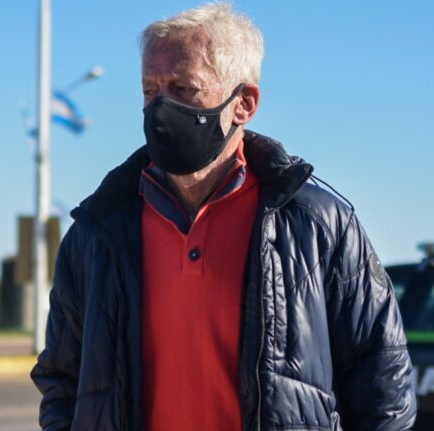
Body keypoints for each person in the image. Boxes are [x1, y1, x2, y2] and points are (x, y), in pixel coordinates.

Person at [31, 3, 416, 430]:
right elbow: (61, 381)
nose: (160, 108)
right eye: (149, 91)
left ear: (244, 104)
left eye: (184, 89)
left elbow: (384, 385)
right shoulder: (97, 232)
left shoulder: (320, 224)